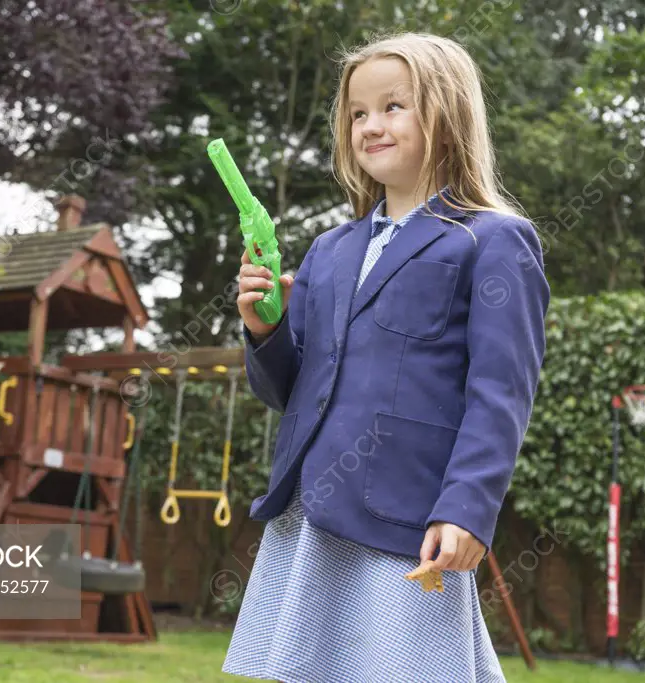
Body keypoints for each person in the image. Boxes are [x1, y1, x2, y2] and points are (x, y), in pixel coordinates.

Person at [222, 31, 550, 683]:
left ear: (447, 114)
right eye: (357, 113)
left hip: (407, 518)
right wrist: (264, 330)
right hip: (311, 510)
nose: (370, 124)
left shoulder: (493, 241)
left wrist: (465, 508)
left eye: (393, 106)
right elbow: (296, 389)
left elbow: (499, 394)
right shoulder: (328, 250)